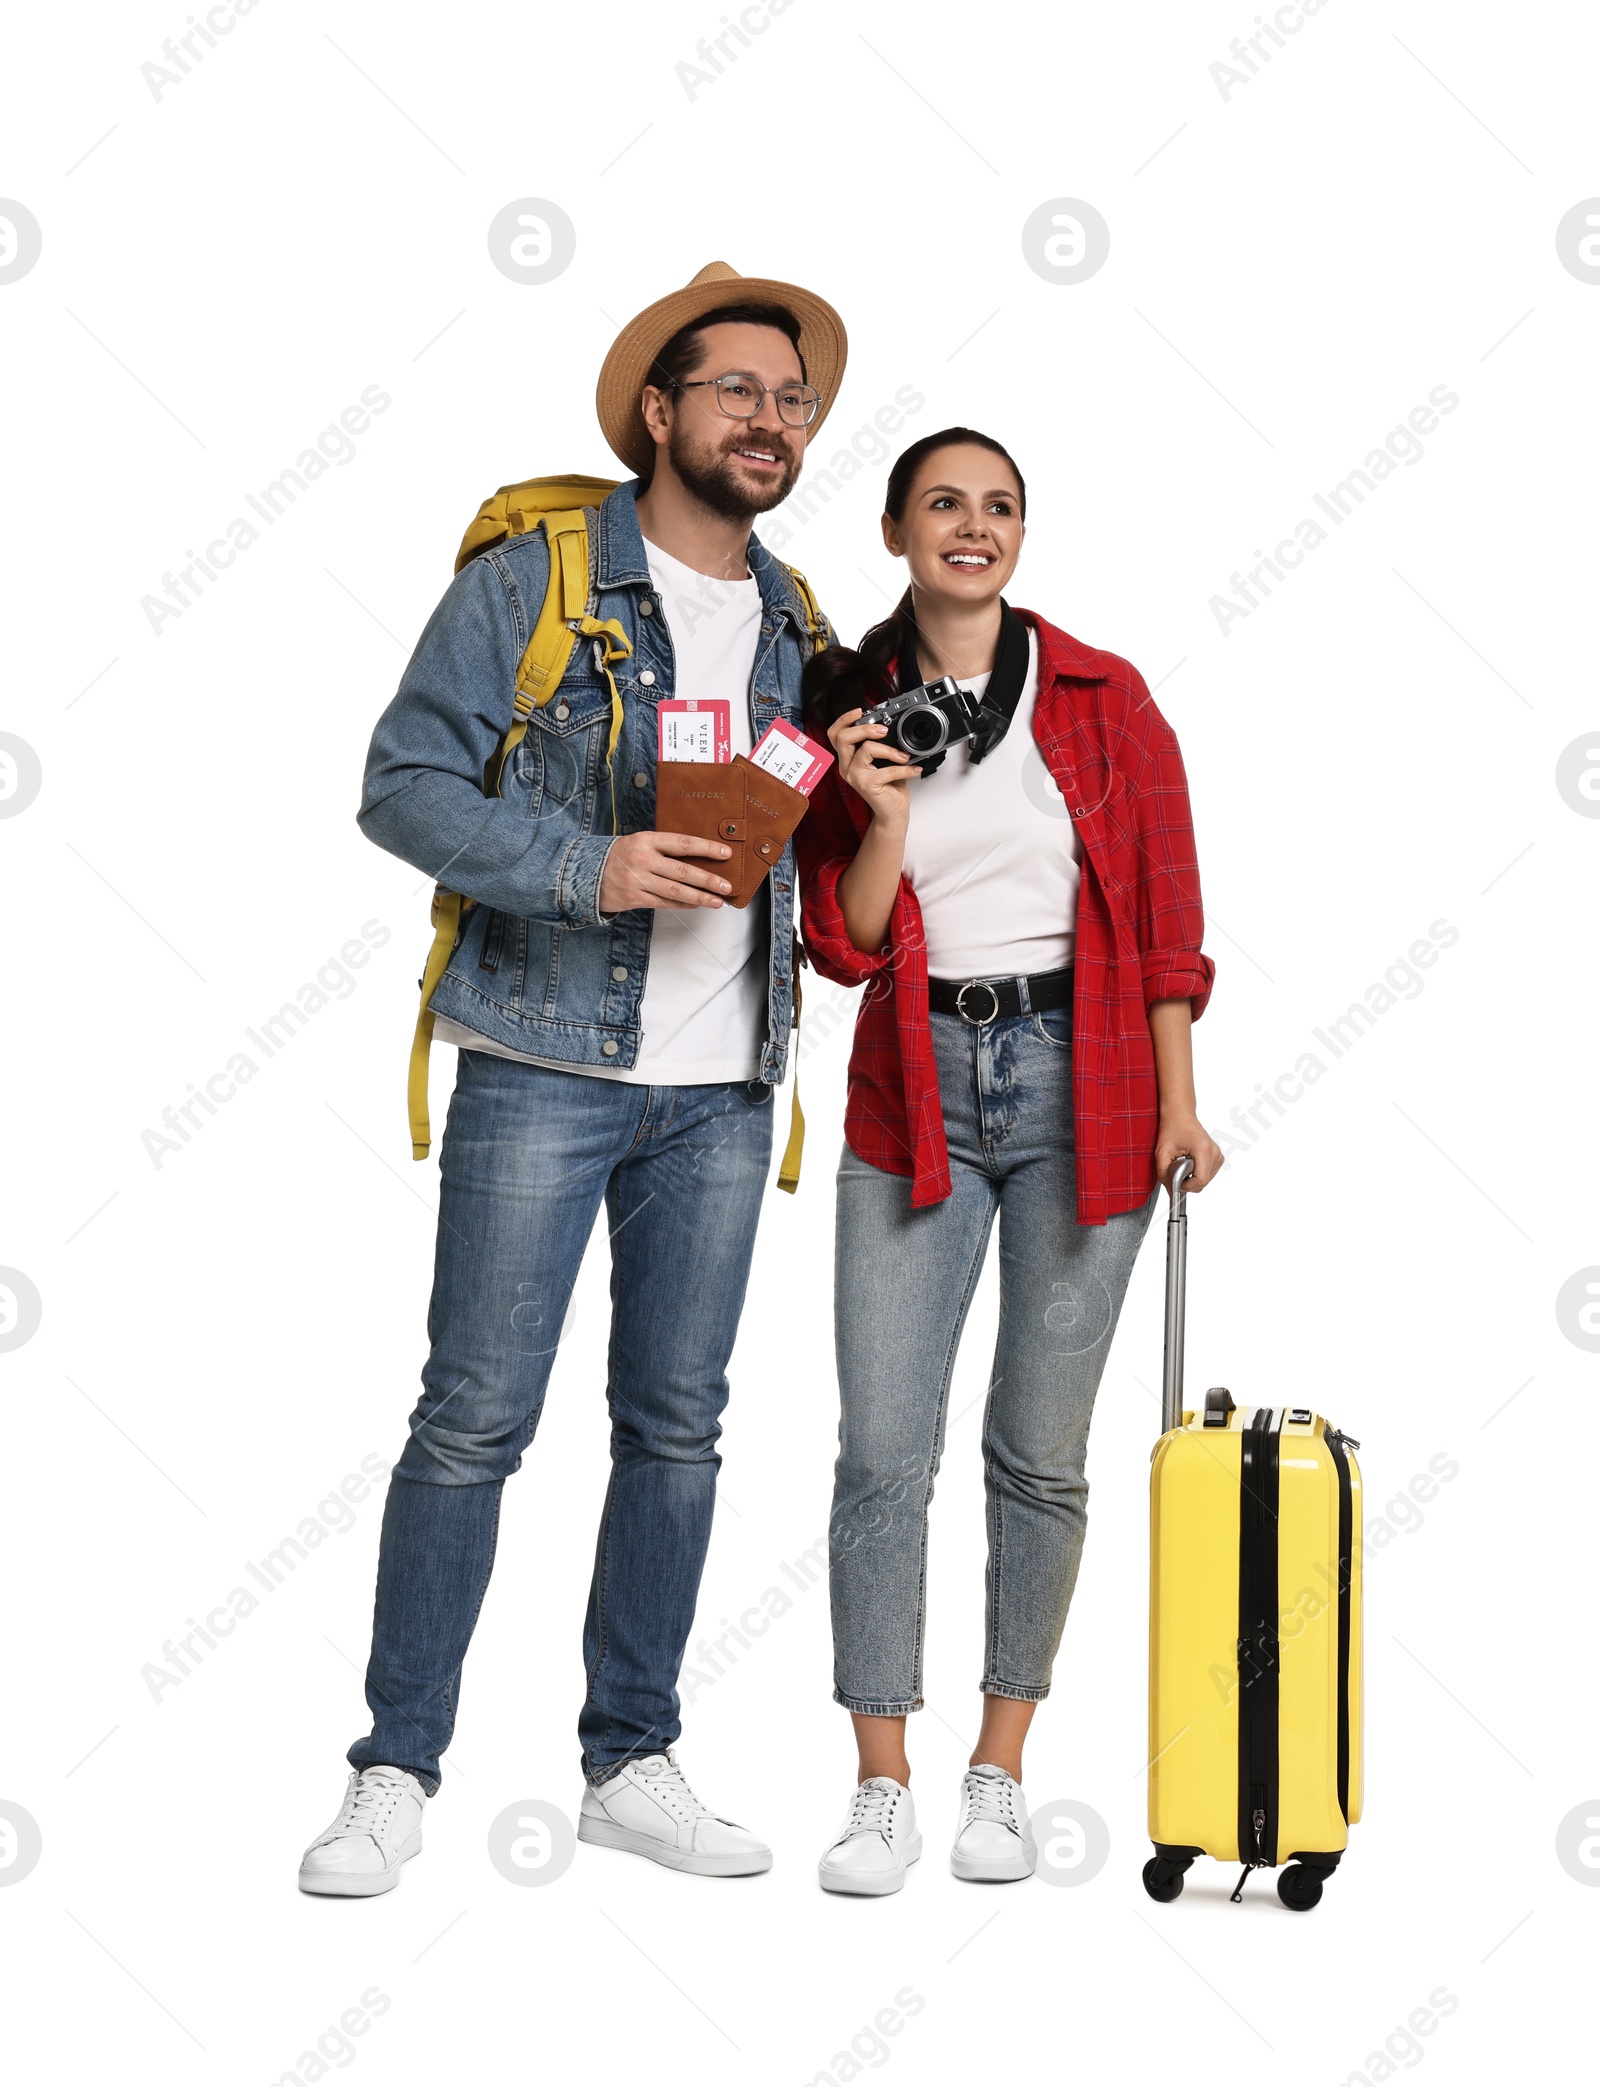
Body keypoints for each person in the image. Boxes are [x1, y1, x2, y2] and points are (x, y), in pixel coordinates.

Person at [298, 263, 846, 1895]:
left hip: (731, 1085)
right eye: (738, 391)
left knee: (678, 1426)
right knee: (472, 1420)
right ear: (660, 414)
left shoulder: (808, 621)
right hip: (543, 1061)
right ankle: (394, 1772)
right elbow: (400, 784)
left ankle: (633, 1760)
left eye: (794, 398)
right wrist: (585, 867)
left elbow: (802, 835)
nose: (770, 419)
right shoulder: (535, 576)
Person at [794, 427, 1222, 1895]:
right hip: (913, 1089)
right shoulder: (841, 707)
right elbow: (840, 945)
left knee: (1039, 1455)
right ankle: (880, 1780)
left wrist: (1179, 1101)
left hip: (1083, 1082)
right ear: (899, 530)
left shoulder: (1106, 698)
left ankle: (1000, 1767)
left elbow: (1167, 919)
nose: (972, 528)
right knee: (879, 1452)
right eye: (944, 506)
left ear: (1019, 536)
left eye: (998, 508)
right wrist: (881, 812)